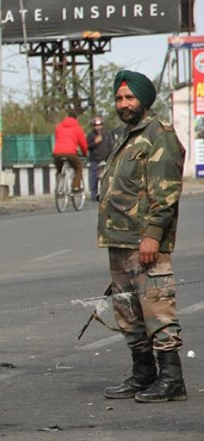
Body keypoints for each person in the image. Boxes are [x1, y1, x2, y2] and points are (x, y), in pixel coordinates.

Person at [99, 70, 187, 403]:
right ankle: (143, 374)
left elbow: (165, 192)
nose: (124, 103)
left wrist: (152, 235)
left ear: (143, 100)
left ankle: (172, 379)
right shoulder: (124, 136)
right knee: (128, 310)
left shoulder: (157, 134)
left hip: (144, 242)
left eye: (130, 97)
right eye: (120, 98)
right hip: (120, 241)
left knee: (157, 308)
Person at [52, 110, 88, 192]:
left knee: (59, 169)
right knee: (78, 168)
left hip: (57, 153)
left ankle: (59, 186)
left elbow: (57, 138)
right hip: (71, 153)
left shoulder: (59, 127)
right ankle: (75, 186)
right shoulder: (78, 128)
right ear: (76, 118)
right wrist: (85, 153)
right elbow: (83, 144)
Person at [86, 115, 114, 202]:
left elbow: (111, 146)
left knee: (106, 178)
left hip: (106, 160)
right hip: (95, 159)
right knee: (93, 178)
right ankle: (93, 195)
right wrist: (94, 142)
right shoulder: (91, 135)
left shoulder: (107, 135)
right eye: (96, 125)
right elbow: (87, 146)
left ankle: (106, 194)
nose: (98, 127)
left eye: (99, 125)